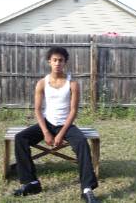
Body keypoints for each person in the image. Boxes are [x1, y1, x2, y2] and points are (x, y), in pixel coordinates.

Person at [13, 46, 99, 203]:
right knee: (20, 138)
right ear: (49, 62)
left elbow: (73, 111)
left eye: (61, 60)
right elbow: (38, 110)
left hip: (65, 125)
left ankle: (87, 189)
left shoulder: (72, 84)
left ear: (65, 62)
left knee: (82, 143)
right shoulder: (41, 83)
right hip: (47, 123)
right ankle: (31, 183)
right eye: (54, 60)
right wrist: (46, 131)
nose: (57, 63)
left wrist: (60, 133)